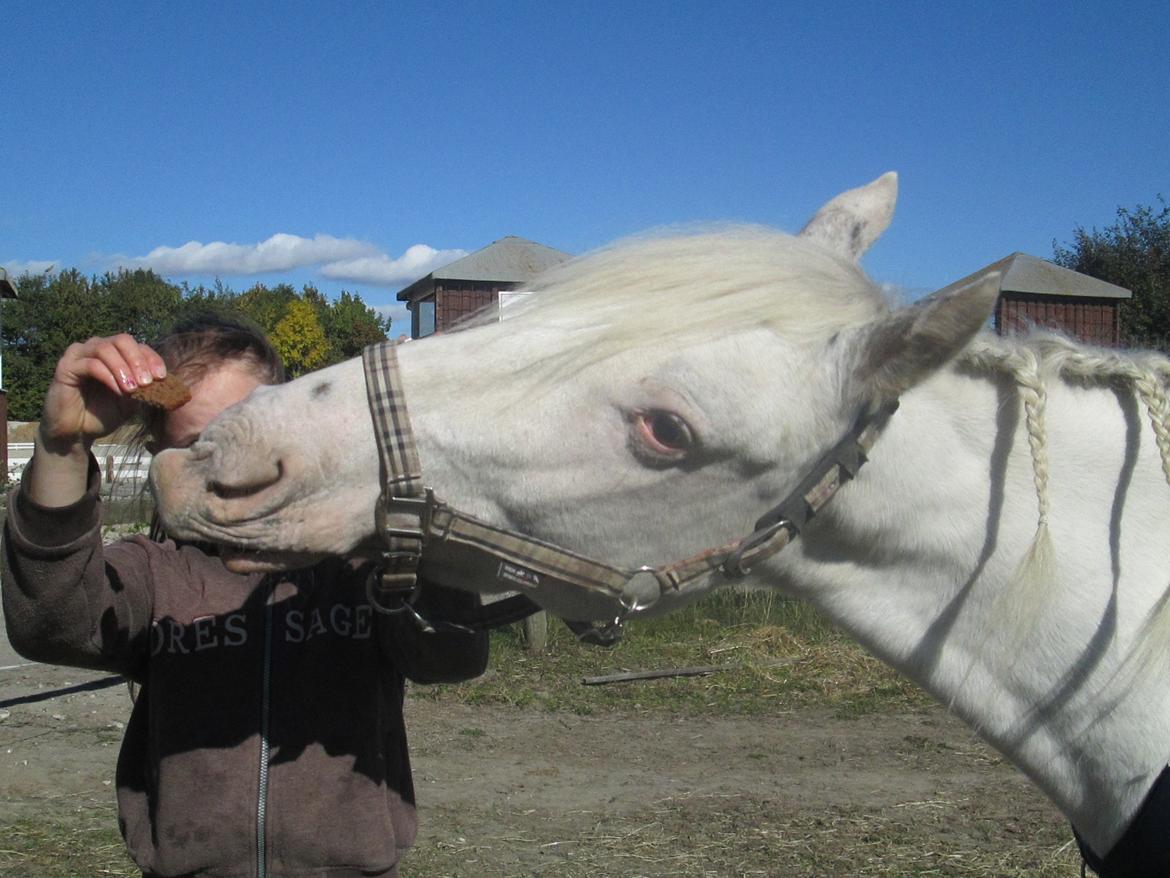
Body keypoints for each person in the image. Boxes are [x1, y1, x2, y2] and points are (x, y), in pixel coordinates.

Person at [1, 315, 489, 878]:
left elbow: (453, 655)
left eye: (245, 431)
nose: (228, 470)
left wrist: (430, 461)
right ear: (159, 453)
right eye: (196, 448)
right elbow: (50, 622)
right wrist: (62, 448)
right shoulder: (155, 573)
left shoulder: (358, 565)